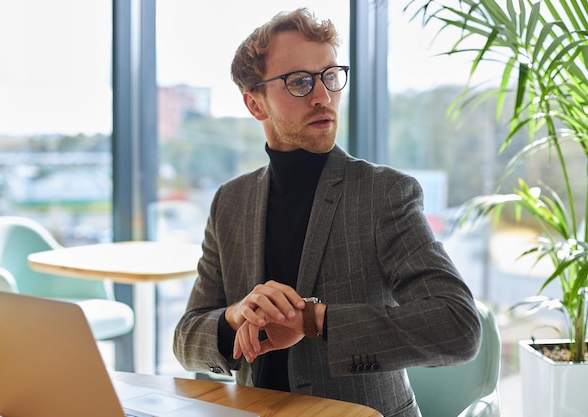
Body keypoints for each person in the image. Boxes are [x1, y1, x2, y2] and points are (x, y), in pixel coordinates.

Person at [173, 8, 482, 417]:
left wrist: (314, 320)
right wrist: (235, 317)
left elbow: (457, 327)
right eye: (299, 82)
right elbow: (185, 341)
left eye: (330, 76)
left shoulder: (383, 193)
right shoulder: (230, 201)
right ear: (254, 104)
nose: (323, 96)